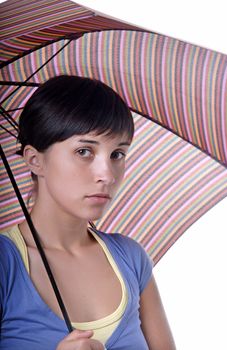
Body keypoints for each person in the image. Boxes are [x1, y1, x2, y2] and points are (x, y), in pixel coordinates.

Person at [0, 75, 176, 350]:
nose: (106, 174)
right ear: (35, 160)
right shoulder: (5, 264)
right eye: (84, 151)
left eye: (117, 154)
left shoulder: (131, 258)